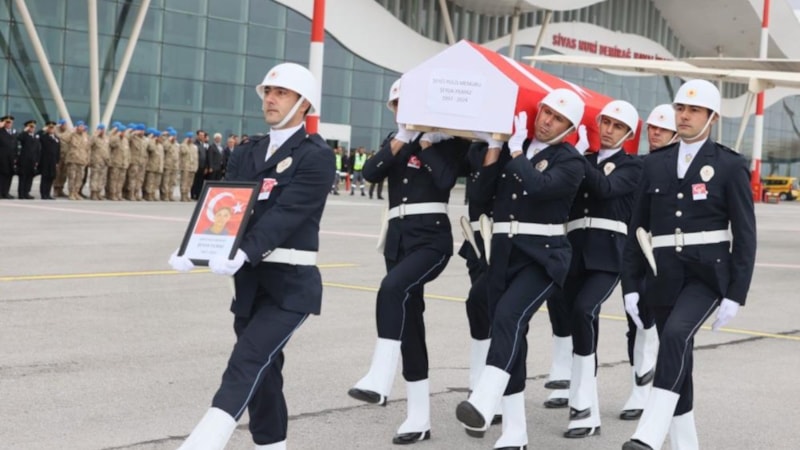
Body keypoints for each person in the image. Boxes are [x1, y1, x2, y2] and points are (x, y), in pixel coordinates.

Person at [169, 62, 334, 450]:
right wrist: (196, 250)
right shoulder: (248, 151)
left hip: (290, 286)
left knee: (247, 359)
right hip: (248, 284)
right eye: (268, 93)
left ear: (303, 104)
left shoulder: (316, 156)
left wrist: (243, 251)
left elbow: (287, 214)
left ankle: (205, 440)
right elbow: (225, 205)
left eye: (281, 94)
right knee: (265, 373)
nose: (271, 100)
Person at [621, 79, 756, 450]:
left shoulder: (728, 165)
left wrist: (736, 293)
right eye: (680, 108)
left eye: (694, 110)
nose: (684, 115)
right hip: (663, 274)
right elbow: (638, 229)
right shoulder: (655, 163)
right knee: (680, 360)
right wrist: (630, 284)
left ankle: (648, 434)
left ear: (711, 117)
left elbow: (745, 234)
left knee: (676, 336)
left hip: (708, 274)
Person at [455, 89, 586, 450]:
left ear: (569, 127)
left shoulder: (571, 161)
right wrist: (496, 147)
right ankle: (516, 432)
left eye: (557, 118)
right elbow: (480, 197)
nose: (546, 121)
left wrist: (514, 152)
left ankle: (484, 398)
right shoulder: (516, 148)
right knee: (510, 333)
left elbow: (540, 187)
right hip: (504, 254)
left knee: (509, 318)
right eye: (544, 112)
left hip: (543, 257)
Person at [348, 78, 468, 445]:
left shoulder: (449, 143)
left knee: (392, 288)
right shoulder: (395, 140)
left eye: (409, 104)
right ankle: (418, 418)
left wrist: (427, 141)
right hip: (397, 242)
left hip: (431, 240)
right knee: (411, 324)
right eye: (398, 105)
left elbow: (447, 179)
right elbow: (369, 174)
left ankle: (379, 378)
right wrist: (402, 137)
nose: (403, 111)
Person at [555, 100, 643, 439]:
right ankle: (584, 403)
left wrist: (574, 157)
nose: (608, 130)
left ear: (628, 134)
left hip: (609, 254)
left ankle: (583, 403)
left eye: (617, 126)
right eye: (605, 123)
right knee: (576, 320)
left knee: (584, 309)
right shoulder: (583, 159)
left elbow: (606, 189)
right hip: (574, 252)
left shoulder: (632, 167)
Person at [619, 103, 677, 421]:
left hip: (671, 255)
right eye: (652, 127)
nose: (654, 132)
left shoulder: (683, 166)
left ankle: (661, 392)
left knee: (670, 327)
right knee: (637, 321)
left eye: (661, 128)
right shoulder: (637, 164)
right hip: (639, 251)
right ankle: (639, 388)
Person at [16, 119, 41, 199]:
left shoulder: (35, 137)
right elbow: (19, 138)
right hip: (24, 160)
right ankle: (21, 193)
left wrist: (37, 160)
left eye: (33, 127)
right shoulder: (24, 135)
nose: (32, 128)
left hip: (32, 160)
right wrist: (24, 131)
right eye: (31, 127)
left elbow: (38, 149)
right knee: (23, 177)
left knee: (30, 177)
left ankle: (27, 192)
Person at [38, 121, 60, 200]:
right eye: (50, 128)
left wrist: (57, 162)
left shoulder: (56, 138)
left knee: (51, 177)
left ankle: (48, 193)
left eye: (53, 128)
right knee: (45, 177)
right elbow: (38, 136)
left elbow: (58, 151)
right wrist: (43, 130)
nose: (51, 129)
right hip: (45, 160)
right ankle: (43, 194)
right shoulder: (44, 136)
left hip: (53, 161)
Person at [88, 124, 109, 200]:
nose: (102, 131)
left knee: (102, 178)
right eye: (101, 129)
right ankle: (93, 193)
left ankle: (98, 192)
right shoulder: (94, 138)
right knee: (95, 177)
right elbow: (88, 144)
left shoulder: (106, 138)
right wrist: (95, 135)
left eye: (103, 129)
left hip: (104, 161)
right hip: (96, 160)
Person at [179, 132, 199, 202]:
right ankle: (183, 195)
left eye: (191, 138)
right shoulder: (183, 145)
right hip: (185, 167)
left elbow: (196, 158)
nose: (191, 139)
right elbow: (183, 152)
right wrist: (185, 143)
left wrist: (196, 166)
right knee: (184, 182)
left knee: (190, 183)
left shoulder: (194, 147)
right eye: (189, 138)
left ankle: (187, 195)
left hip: (192, 167)